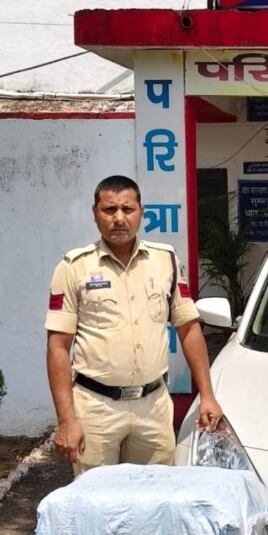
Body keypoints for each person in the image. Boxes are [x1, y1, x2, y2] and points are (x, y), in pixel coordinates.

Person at [45, 175, 223, 475]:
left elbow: (189, 328)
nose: (119, 218)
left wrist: (207, 395)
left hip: (152, 407)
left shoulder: (165, 260)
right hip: (96, 408)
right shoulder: (74, 267)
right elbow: (58, 347)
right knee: (96, 496)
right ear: (95, 214)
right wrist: (66, 421)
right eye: (109, 209)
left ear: (141, 212)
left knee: (154, 493)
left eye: (127, 209)